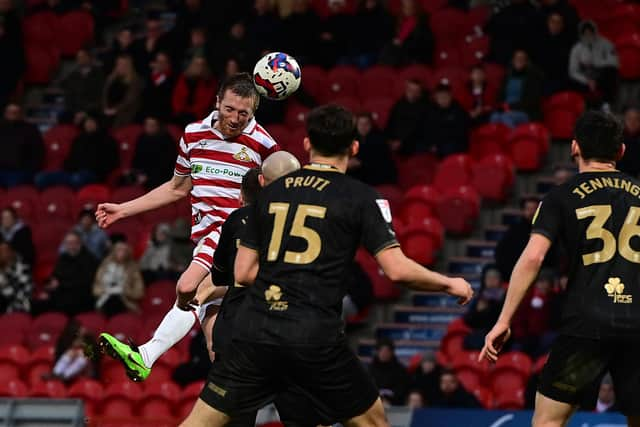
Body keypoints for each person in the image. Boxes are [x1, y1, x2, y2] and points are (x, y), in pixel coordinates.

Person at [180, 104, 473, 426]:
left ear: (307, 144)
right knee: (372, 422)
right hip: (313, 336)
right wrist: (449, 283)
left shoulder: (271, 192)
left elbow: (243, 272)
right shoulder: (362, 197)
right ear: (355, 147)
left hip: (255, 331)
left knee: (201, 422)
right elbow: (397, 270)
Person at [95, 73, 279, 382]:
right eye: (230, 109)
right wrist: (122, 210)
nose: (235, 119)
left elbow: (281, 196)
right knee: (217, 345)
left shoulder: (264, 145)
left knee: (188, 288)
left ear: (253, 112)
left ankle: (145, 355)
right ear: (217, 102)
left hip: (236, 233)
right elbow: (177, 188)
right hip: (205, 235)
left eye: (244, 113)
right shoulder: (193, 135)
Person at [480, 111, 640, 426]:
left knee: (548, 421)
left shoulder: (561, 196)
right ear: (621, 151)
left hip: (586, 325)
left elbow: (533, 258)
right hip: (638, 325)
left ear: (574, 147)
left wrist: (504, 319)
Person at [38, 231, 98, 316]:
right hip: (62, 293)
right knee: (39, 302)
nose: (71, 246)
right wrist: (48, 289)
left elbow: (85, 282)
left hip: (81, 296)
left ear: (80, 243)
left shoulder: (89, 259)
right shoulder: (63, 258)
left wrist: (60, 285)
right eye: (68, 243)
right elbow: (55, 277)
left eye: (74, 243)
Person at [569, 21, 619, 109]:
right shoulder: (576, 49)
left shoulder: (605, 43)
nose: (588, 36)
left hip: (601, 74)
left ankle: (607, 105)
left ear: (594, 33)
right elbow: (573, 71)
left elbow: (614, 62)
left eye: (590, 33)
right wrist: (587, 81)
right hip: (584, 77)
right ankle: (582, 107)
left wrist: (597, 62)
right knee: (571, 80)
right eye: (586, 34)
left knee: (611, 72)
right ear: (581, 34)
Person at [490, 49, 544, 128]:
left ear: (526, 61)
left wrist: (510, 107)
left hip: (524, 111)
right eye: (517, 58)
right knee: (494, 117)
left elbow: (531, 101)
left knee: (506, 118)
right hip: (506, 109)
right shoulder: (507, 77)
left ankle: (514, 138)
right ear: (513, 61)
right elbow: (500, 96)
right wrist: (501, 106)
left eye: (522, 59)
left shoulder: (532, 78)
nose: (519, 61)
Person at [494, 196, 542, 280]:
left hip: (539, 272)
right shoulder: (515, 229)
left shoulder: (544, 229)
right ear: (523, 211)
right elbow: (501, 251)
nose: (531, 212)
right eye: (528, 209)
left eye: (534, 209)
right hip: (515, 271)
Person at [93, 241, 144, 317]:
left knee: (116, 302)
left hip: (124, 300)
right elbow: (96, 286)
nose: (121, 253)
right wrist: (105, 290)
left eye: (124, 250)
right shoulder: (105, 266)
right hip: (105, 298)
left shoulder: (133, 268)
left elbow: (139, 291)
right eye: (119, 250)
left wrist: (125, 291)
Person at [0, 104, 44, 187]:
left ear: (21, 114)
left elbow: (38, 152)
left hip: (20, 171)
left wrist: (32, 170)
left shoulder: (30, 130)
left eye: (15, 112)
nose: (12, 114)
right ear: (5, 113)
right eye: (10, 112)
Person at [348, 112, 397, 186]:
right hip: (361, 173)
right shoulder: (354, 139)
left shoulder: (379, 138)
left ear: (371, 125)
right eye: (360, 124)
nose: (363, 127)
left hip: (379, 174)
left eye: (366, 124)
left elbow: (379, 160)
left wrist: (360, 162)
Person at [130, 116, 177, 190]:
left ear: (158, 126)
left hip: (162, 175)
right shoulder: (142, 138)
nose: (148, 128)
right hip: (143, 173)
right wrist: (138, 172)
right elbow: (137, 158)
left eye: (152, 125)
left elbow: (167, 163)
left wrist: (148, 176)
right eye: (146, 125)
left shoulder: (166, 140)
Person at [425, 82, 470, 157]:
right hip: (437, 144)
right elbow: (427, 129)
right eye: (440, 97)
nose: (443, 100)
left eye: (445, 97)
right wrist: (431, 144)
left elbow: (461, 130)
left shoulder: (458, 109)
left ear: (450, 96)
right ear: (436, 97)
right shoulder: (431, 110)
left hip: (454, 144)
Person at [386, 79, 430, 155]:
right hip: (395, 141)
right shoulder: (398, 105)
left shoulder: (425, 107)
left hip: (413, 143)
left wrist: (401, 142)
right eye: (410, 89)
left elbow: (419, 129)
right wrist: (389, 140)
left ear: (420, 93)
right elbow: (390, 124)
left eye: (415, 90)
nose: (412, 93)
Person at [172, 55, 217, 127]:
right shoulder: (183, 80)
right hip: (181, 116)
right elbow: (177, 100)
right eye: (196, 64)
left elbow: (205, 103)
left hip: (200, 118)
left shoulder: (209, 82)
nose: (199, 67)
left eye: (202, 65)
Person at [61, 48, 105, 116]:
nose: (80, 59)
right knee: (63, 117)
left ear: (89, 58)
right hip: (75, 110)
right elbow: (69, 96)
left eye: (82, 57)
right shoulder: (73, 75)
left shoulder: (98, 74)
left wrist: (85, 112)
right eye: (78, 57)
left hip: (92, 110)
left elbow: (99, 97)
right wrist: (76, 112)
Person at [103, 55, 143, 127]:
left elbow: (129, 101)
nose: (120, 67)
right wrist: (105, 108)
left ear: (129, 66)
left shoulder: (135, 81)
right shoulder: (111, 78)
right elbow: (104, 95)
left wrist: (115, 110)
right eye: (118, 64)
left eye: (123, 65)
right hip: (108, 111)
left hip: (125, 113)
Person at [369, 338, 411, 405]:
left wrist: (389, 399)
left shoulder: (400, 369)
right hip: (373, 403)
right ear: (377, 352)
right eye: (381, 351)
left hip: (395, 404)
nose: (384, 354)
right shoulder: (369, 369)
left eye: (387, 351)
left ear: (392, 352)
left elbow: (402, 389)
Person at [140, 52, 175, 122]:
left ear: (168, 64)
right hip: (147, 112)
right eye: (158, 61)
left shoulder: (173, 78)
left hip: (164, 113)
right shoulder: (149, 77)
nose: (161, 64)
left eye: (164, 62)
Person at [0, 241, 32, 313]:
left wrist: (5, 285)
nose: (3, 253)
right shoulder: (2, 268)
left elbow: (22, 295)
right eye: (1, 251)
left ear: (11, 251)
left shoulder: (23, 268)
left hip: (20, 304)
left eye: (5, 250)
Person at [617, 107, 640, 178]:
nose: (632, 122)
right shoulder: (617, 139)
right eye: (629, 119)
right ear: (624, 120)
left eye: (636, 119)